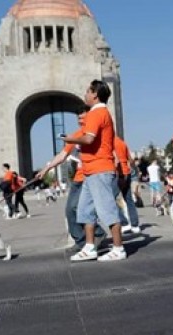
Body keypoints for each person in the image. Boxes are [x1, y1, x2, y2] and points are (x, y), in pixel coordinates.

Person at [37, 80, 125, 262]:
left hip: (100, 169)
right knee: (84, 211)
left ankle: (118, 248)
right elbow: (79, 143)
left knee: (107, 210)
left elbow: (89, 139)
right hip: (90, 171)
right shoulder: (99, 114)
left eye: (87, 91)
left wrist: (69, 138)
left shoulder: (97, 113)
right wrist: (47, 168)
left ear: (95, 94)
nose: (85, 94)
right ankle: (90, 246)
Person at [114, 136, 141, 234]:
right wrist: (137, 171)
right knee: (129, 200)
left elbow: (114, 159)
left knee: (110, 199)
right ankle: (135, 225)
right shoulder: (122, 143)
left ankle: (124, 223)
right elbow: (131, 160)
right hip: (127, 173)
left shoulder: (108, 142)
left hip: (117, 173)